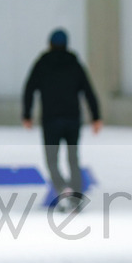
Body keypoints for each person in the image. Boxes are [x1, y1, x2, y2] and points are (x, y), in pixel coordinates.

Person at [22, 28, 102, 210]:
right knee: (73, 159)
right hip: (73, 120)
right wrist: (96, 117)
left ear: (49, 44)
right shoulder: (75, 64)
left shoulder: (42, 64)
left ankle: (63, 191)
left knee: (52, 160)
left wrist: (27, 114)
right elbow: (88, 91)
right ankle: (75, 198)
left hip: (51, 120)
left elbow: (29, 89)